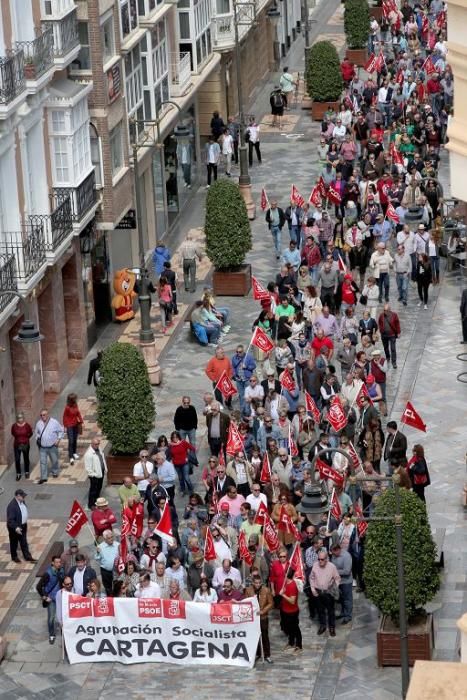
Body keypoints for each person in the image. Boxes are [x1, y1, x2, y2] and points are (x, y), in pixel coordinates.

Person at [310, 549, 341, 637]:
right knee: (320, 611)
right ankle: (323, 626)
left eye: (322, 559)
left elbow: (337, 578)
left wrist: (334, 588)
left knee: (331, 611)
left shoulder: (332, 567)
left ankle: (332, 627)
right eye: (319, 559)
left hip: (328, 593)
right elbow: (311, 578)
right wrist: (313, 589)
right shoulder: (315, 566)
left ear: (326, 559)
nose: (320, 561)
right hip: (318, 592)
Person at [245, 574, 274, 663]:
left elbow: (271, 603)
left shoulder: (266, 590)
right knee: (254, 636)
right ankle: (257, 653)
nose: (257, 584)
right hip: (253, 618)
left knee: (264, 635)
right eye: (256, 583)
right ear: (253, 583)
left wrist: (263, 611)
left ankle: (267, 654)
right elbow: (246, 602)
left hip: (263, 617)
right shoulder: (248, 590)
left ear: (261, 583)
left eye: (259, 583)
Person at [36, 555, 64, 644]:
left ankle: (64, 632)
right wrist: (44, 597)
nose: (59, 564)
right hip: (51, 599)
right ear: (52, 563)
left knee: (63, 616)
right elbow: (38, 586)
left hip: (60, 597)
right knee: (51, 618)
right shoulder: (47, 573)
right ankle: (51, 634)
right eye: (57, 562)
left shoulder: (62, 570)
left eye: (60, 562)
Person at [34, 408, 64, 484]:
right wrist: (37, 438)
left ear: (47, 414)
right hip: (43, 447)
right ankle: (43, 477)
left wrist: (58, 440)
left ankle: (55, 472)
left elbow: (61, 431)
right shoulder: (38, 423)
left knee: (54, 460)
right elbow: (36, 433)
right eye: (41, 415)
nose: (42, 416)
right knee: (43, 462)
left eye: (44, 415)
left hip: (52, 446)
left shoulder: (54, 422)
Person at [6, 488, 36, 563]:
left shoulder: (21, 501)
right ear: (18, 496)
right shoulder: (12, 506)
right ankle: (14, 557)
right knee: (14, 542)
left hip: (23, 525)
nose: (24, 497)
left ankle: (27, 556)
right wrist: (16, 528)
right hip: (15, 528)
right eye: (22, 496)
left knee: (24, 541)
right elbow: (10, 520)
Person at [280, 568, 302, 653]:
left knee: (295, 629)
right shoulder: (286, 583)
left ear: (287, 575)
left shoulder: (293, 585)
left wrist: (283, 595)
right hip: (285, 610)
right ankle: (291, 642)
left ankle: (299, 645)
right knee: (289, 628)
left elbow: (292, 601)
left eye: (284, 573)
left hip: (292, 612)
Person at [331, 543, 353, 625]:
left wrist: (335, 572)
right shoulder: (333, 555)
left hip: (346, 581)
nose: (333, 555)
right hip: (338, 581)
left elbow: (347, 571)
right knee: (341, 599)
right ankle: (343, 613)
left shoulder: (346, 556)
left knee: (347, 599)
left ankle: (348, 616)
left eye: (334, 553)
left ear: (338, 550)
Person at [84, 436, 107, 509]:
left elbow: (102, 459)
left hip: (101, 472)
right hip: (95, 475)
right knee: (93, 490)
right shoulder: (88, 454)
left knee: (99, 488)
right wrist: (94, 475)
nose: (97, 445)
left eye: (98, 444)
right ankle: (91, 504)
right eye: (96, 444)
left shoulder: (98, 449)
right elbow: (88, 468)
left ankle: (97, 502)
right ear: (92, 444)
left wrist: (105, 468)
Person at [95, 530, 119, 596]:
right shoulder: (100, 547)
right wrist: (97, 552)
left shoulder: (117, 545)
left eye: (112, 537)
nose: (111, 539)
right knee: (108, 588)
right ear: (105, 539)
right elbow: (97, 558)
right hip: (105, 571)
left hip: (116, 570)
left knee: (117, 586)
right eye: (109, 538)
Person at [62, 393, 83, 466]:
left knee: (75, 439)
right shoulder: (67, 408)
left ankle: (74, 452)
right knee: (71, 441)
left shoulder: (75, 405)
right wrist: (65, 426)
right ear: (71, 400)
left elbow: (78, 413)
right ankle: (71, 456)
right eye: (75, 398)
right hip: (69, 426)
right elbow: (64, 417)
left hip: (75, 425)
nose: (76, 399)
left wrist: (81, 421)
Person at [378, 303, 400, 369]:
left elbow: (397, 323)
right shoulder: (381, 315)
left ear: (389, 310)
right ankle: (388, 357)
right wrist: (381, 329)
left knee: (393, 348)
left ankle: (394, 362)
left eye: (386, 310)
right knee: (385, 347)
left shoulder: (394, 315)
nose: (385, 311)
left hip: (392, 334)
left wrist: (398, 332)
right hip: (384, 334)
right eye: (384, 310)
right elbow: (379, 322)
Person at [10, 412, 33, 480]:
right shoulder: (14, 426)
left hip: (25, 444)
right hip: (17, 445)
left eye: (21, 418)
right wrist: (19, 439)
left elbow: (30, 433)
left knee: (26, 458)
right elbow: (13, 433)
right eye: (19, 418)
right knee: (17, 459)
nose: (20, 419)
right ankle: (18, 473)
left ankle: (26, 472)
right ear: (17, 419)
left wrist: (25, 439)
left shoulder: (27, 425)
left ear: (23, 418)